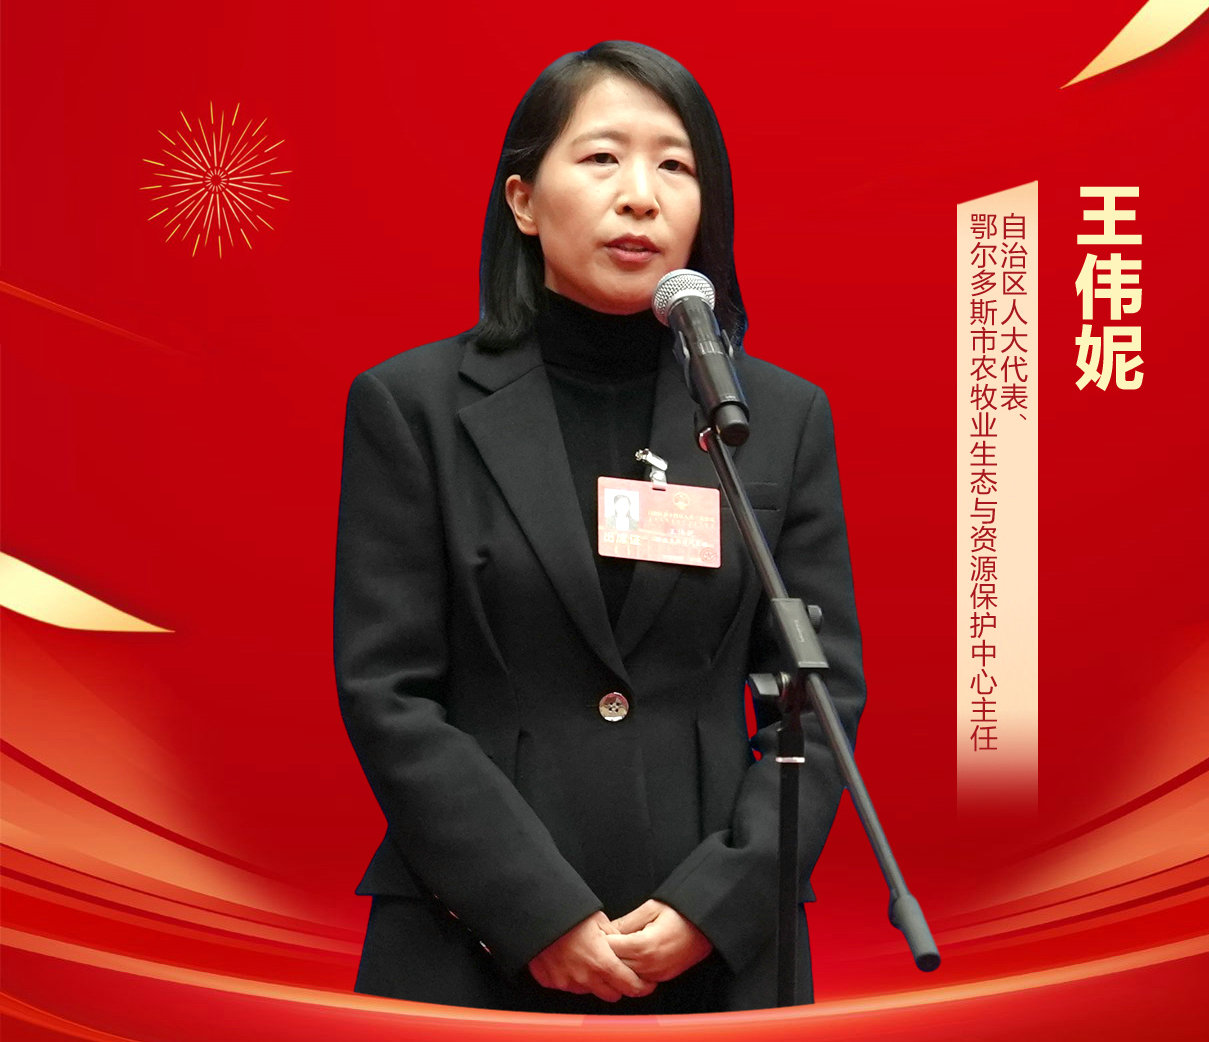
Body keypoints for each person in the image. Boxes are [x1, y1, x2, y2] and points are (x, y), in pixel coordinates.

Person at [333, 40, 866, 1014]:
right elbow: (389, 694)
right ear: (523, 201)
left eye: (676, 165)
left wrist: (717, 903)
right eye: (602, 158)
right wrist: (532, 910)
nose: (641, 197)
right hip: (468, 943)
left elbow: (818, 700)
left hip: (713, 956)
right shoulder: (413, 406)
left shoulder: (774, 419)